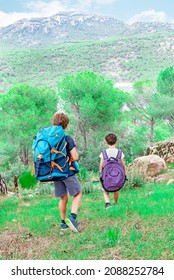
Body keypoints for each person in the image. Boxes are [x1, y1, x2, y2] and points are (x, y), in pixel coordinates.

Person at [52, 112, 82, 232]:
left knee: (63, 197)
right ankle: (72, 218)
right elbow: (74, 157)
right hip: (67, 171)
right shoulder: (67, 138)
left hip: (55, 172)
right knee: (78, 193)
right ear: (66, 125)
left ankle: (63, 223)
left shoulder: (50, 140)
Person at [99, 133, 126, 208]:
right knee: (116, 189)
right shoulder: (120, 152)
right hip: (117, 175)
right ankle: (115, 202)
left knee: (105, 190)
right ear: (116, 141)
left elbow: (101, 165)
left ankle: (107, 203)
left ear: (106, 142)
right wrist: (124, 173)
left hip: (106, 175)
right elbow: (123, 165)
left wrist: (101, 173)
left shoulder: (104, 153)